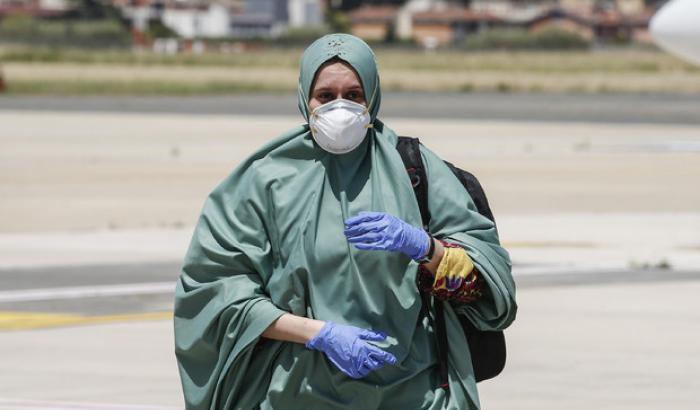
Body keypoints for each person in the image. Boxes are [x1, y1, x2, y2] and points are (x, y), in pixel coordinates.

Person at [174, 33, 517, 410]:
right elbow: (216, 294)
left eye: (354, 95)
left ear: (372, 95)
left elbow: (488, 288)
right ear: (306, 98)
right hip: (299, 395)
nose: (340, 107)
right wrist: (318, 333)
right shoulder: (264, 180)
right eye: (326, 95)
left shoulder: (416, 170)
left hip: (417, 395)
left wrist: (426, 248)